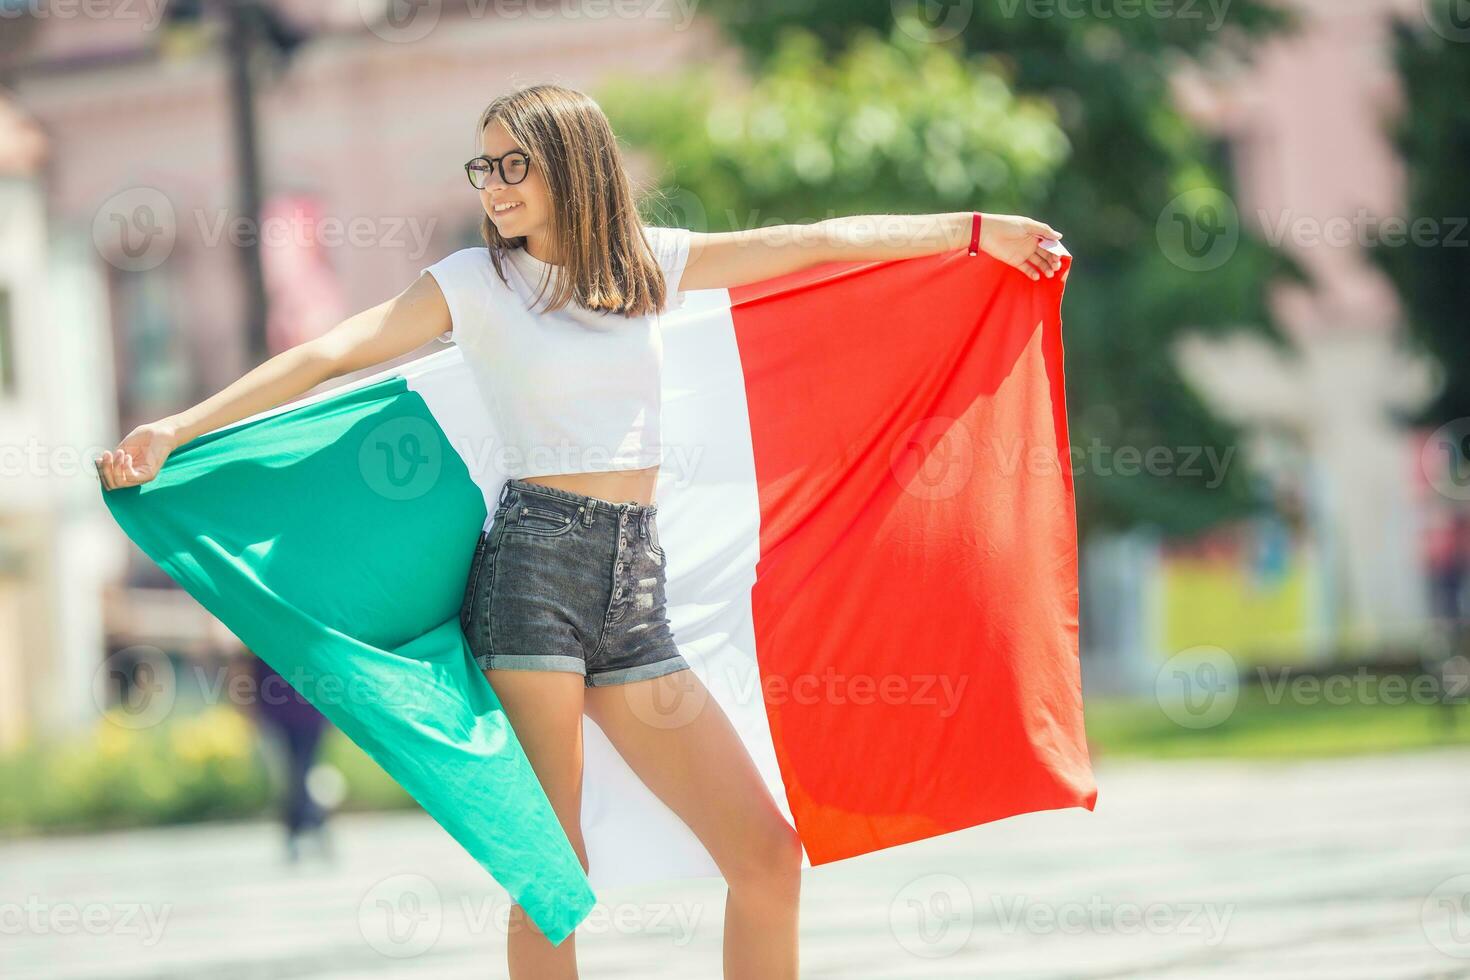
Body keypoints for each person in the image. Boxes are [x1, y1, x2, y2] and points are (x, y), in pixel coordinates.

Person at [95, 83, 1062, 980]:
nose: (496, 185)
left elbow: (810, 241)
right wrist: (180, 428)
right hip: (532, 578)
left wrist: (980, 232)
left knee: (766, 856)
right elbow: (330, 353)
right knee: (554, 873)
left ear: (571, 163)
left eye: (515, 163)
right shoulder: (475, 283)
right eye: (485, 166)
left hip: (634, 586)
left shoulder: (649, 268)